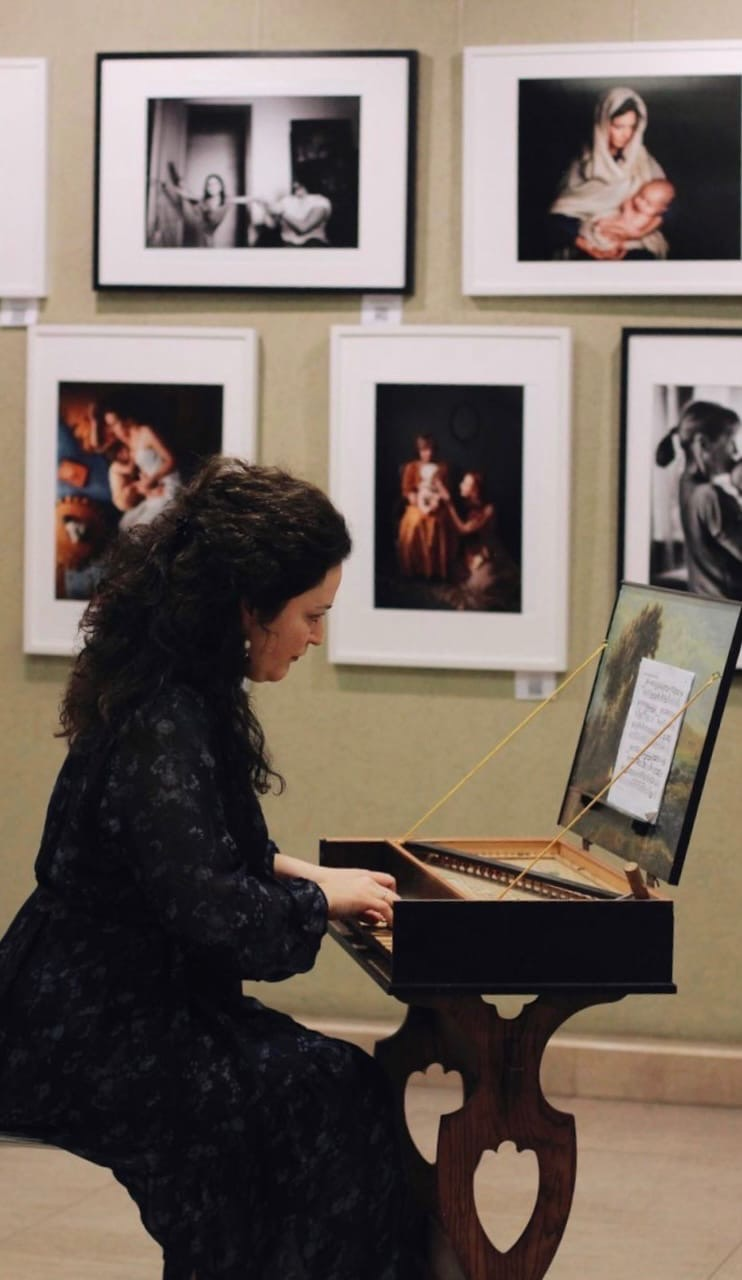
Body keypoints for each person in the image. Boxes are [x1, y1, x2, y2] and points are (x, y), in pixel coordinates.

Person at [0, 457, 418, 1279]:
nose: (315, 637)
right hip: (87, 1028)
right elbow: (219, 917)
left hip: (122, 1002)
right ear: (247, 609)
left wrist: (316, 882)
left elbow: (199, 856)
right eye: (309, 615)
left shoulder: (175, 689)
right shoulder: (166, 718)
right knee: (319, 1103)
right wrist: (317, 900)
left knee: (332, 1096)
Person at [549, 87, 669, 260]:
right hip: (591, 242)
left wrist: (634, 233)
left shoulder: (642, 160)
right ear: (603, 124)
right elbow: (558, 217)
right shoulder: (584, 163)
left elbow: (666, 205)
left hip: (635, 242)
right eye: (619, 126)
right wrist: (591, 249)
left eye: (632, 127)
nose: (627, 135)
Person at [655, 400, 742, 599]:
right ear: (703, 444)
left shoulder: (686, 484)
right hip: (731, 613)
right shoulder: (709, 495)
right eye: (730, 440)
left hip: (708, 605)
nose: (736, 451)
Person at [101, 398, 181, 529]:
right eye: (110, 425)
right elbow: (144, 471)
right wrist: (148, 489)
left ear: (126, 418)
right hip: (155, 488)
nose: (112, 429)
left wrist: (152, 480)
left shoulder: (146, 431)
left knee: (139, 532)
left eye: (115, 423)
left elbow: (172, 460)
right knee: (124, 525)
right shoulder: (128, 440)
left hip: (169, 484)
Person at [397, 434, 453, 580]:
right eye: (424, 450)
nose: (428, 453)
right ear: (419, 451)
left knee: (437, 521)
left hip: (436, 501)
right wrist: (412, 496)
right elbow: (406, 489)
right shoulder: (412, 467)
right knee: (415, 521)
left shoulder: (442, 468)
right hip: (417, 502)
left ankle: (435, 570)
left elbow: (445, 489)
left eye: (431, 449)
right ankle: (416, 568)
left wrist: (437, 500)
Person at [579, 177, 675, 258]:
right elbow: (625, 207)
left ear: (661, 209)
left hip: (630, 235)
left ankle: (609, 247)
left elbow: (647, 230)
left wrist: (639, 233)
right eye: (641, 196)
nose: (641, 203)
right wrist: (627, 205)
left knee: (624, 245)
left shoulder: (656, 219)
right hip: (620, 224)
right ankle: (598, 238)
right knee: (602, 224)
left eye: (648, 204)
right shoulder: (633, 208)